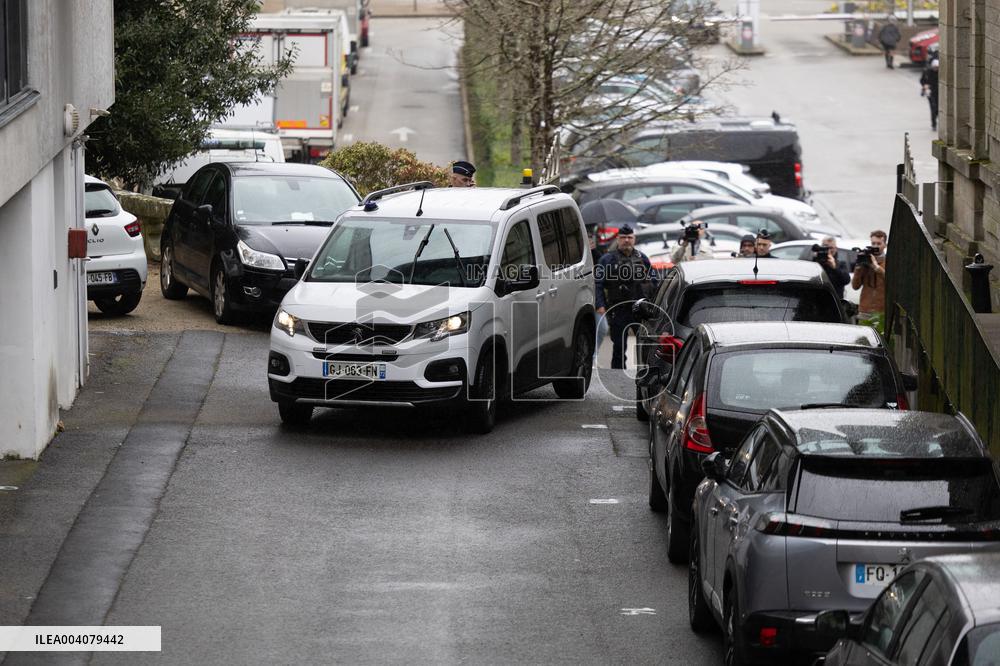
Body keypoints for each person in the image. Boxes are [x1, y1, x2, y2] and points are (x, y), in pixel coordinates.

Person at [596, 225, 657, 370]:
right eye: (623, 238)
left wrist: (654, 304)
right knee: (619, 347)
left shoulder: (642, 258)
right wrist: (600, 304)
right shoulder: (607, 259)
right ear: (618, 240)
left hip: (640, 309)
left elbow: (654, 281)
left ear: (634, 239)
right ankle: (617, 378)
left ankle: (644, 374)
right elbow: (598, 284)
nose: (626, 240)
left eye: (630, 237)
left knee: (644, 345)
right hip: (619, 309)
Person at [851, 230, 888, 321]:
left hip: (881, 312)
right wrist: (859, 267)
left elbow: (892, 282)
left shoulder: (889, 261)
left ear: (885, 245)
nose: (875, 246)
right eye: (873, 243)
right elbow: (855, 286)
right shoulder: (865, 259)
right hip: (865, 310)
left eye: (879, 243)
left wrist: (877, 268)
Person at [587, 224, 609, 363]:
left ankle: (593, 356)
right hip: (579, 298)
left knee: (602, 328)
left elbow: (602, 276)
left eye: (592, 240)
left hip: (595, 300)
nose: (590, 243)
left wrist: (593, 251)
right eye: (587, 240)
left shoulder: (598, 256)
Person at [921, 58, 940, 130]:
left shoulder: (940, 73)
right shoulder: (927, 72)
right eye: (935, 67)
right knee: (933, 107)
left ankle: (937, 120)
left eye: (937, 67)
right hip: (930, 92)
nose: (936, 69)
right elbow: (922, 80)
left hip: (938, 92)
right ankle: (934, 124)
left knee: (938, 108)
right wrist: (925, 85)